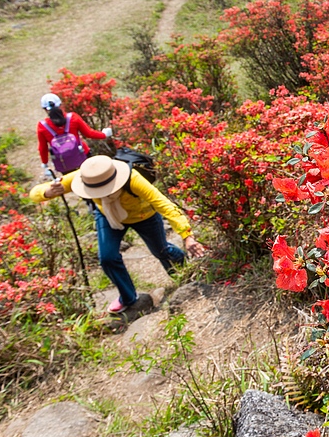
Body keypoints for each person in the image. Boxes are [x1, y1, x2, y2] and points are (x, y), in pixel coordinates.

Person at [30, 155, 204, 315]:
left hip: (144, 216)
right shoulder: (86, 176)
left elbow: (163, 204)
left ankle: (184, 272)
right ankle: (128, 298)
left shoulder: (132, 178)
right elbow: (34, 193)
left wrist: (186, 235)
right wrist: (47, 192)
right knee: (107, 257)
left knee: (161, 250)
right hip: (107, 215)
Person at [37, 92, 112, 179]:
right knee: (92, 179)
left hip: (63, 162)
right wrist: (104, 134)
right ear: (61, 105)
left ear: (45, 109)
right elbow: (89, 133)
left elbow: (43, 148)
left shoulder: (42, 126)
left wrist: (45, 164)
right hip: (82, 155)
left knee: (73, 182)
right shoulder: (73, 117)